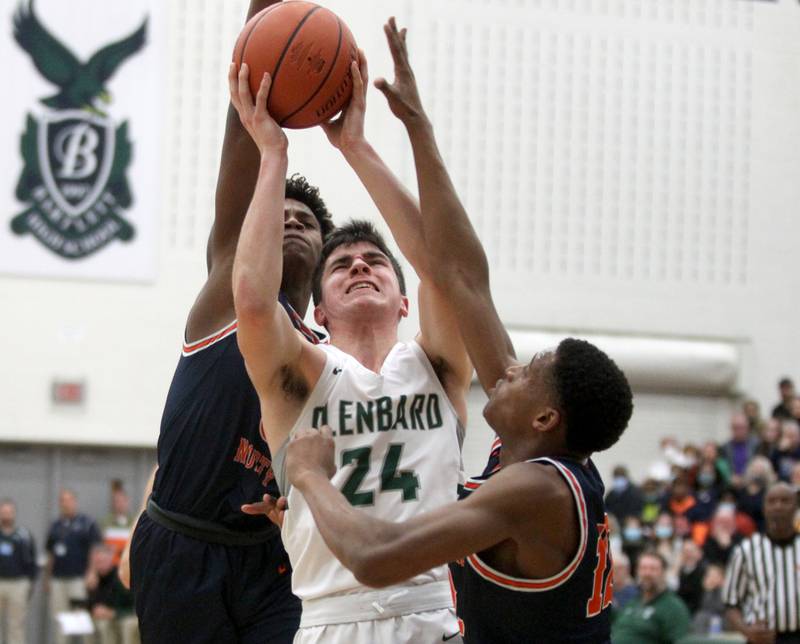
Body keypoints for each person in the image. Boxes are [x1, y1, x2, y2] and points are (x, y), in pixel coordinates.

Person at [251, 17, 633, 644]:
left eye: (524, 374)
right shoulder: (536, 450)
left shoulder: (536, 489)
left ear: (545, 417)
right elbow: (460, 276)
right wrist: (409, 129)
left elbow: (376, 559)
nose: (505, 369)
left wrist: (312, 477)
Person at [231, 35, 473, 639]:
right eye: (341, 266)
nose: (360, 266)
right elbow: (254, 304)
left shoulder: (439, 363)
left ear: (404, 298)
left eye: (375, 262)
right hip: (331, 619)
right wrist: (271, 155)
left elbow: (445, 267)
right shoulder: (301, 377)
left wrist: (356, 147)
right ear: (318, 308)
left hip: (432, 613)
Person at [127, 2, 335, 642]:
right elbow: (243, 164)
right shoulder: (226, 298)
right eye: (283, 215)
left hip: (272, 560)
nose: (294, 222)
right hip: (182, 546)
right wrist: (267, 20)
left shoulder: (330, 354)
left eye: (309, 222)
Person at [724, 482, 800, 643]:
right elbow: (731, 605)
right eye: (771, 501)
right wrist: (747, 631)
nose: (778, 506)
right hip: (762, 639)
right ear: (764, 508)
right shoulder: (745, 550)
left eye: (785, 501)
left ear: (796, 506)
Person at [45, 489, 101, 644]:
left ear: (75, 501)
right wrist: (48, 578)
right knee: (61, 620)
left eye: (69, 499)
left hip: (78, 579)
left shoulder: (86, 523)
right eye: (63, 500)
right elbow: (51, 554)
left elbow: (94, 549)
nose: (66, 503)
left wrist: (92, 572)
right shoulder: (55, 526)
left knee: (81, 619)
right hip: (58, 580)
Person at [610, 551, 691, 644]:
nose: (647, 573)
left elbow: (678, 639)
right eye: (643, 568)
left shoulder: (673, 607)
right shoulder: (633, 602)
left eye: (653, 569)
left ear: (664, 572)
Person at [0, 499, 36, 644]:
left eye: (9, 512)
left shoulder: (24, 535)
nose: (6, 515)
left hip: (18, 583)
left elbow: (31, 560)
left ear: (14, 514)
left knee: (16, 624)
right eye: (4, 512)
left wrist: (30, 582)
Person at [85, 544, 137, 644]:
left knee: (105, 625)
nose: (100, 565)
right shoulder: (95, 580)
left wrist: (113, 613)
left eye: (103, 561)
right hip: (105, 616)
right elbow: (90, 604)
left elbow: (132, 606)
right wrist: (89, 590)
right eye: (97, 562)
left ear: (110, 560)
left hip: (124, 614)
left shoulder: (120, 578)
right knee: (88, 624)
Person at [100, 482, 132, 567]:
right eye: (117, 501)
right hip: (110, 566)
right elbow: (100, 545)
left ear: (127, 502)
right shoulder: (106, 522)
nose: (120, 504)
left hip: (127, 565)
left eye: (123, 501)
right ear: (113, 503)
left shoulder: (134, 522)